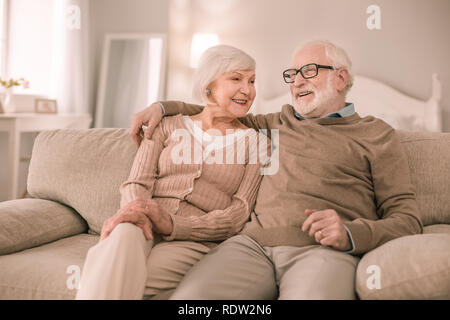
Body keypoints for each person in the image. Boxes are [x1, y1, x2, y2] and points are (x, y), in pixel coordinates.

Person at [130, 40, 423, 299]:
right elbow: (217, 108)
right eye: (292, 75)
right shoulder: (275, 123)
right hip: (250, 246)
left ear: (340, 78)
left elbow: (408, 219)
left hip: (321, 251)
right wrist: (161, 106)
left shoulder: (376, 134)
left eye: (308, 70)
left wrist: (350, 232)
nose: (296, 82)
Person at [75, 45, 270, 299]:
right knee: (123, 239)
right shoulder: (166, 125)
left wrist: (174, 224)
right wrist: (138, 210)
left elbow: (238, 214)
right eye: (236, 79)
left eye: (252, 81)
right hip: (141, 223)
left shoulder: (258, 143)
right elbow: (137, 182)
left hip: (193, 240)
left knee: (125, 279)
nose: (248, 90)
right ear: (208, 85)